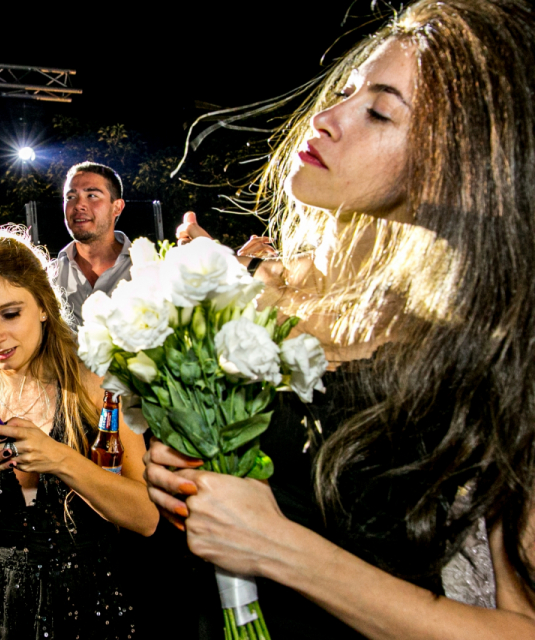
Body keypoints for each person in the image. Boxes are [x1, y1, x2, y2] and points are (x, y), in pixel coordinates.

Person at [146, 0, 535, 638]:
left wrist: (279, 549)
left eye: (379, 111)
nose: (325, 120)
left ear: (466, 164)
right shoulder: (272, 296)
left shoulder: (499, 350)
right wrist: (186, 461)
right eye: (347, 92)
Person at [0, 229, 158, 639]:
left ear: (44, 308)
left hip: (86, 606)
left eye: (10, 314)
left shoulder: (97, 389)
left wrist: (60, 458)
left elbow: (144, 517)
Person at [54, 161, 132, 327]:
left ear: (117, 207)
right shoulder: (49, 276)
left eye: (92, 196)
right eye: (70, 197)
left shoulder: (147, 268)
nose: (79, 205)